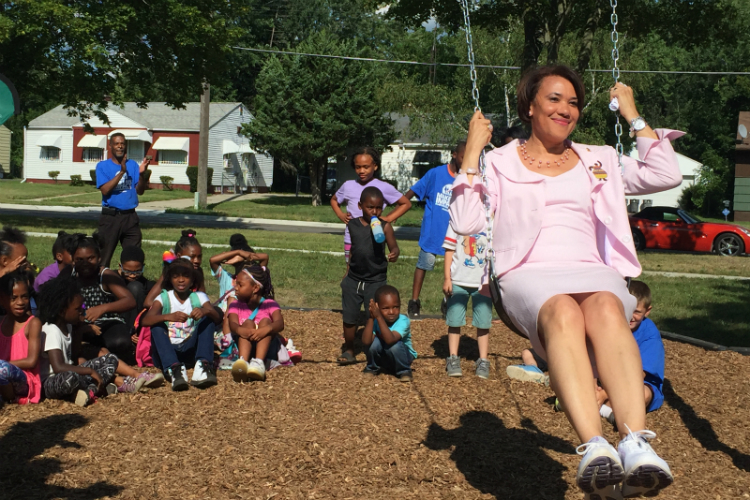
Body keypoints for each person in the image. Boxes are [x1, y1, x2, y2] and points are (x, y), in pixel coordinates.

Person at [451, 64, 683, 497]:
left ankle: (635, 443)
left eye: (573, 102)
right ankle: (595, 446)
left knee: (608, 307)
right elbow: (466, 222)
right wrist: (471, 153)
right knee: (561, 310)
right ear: (529, 106)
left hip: (592, 266)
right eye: (554, 99)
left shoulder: (599, 158)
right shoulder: (498, 161)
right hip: (526, 272)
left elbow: (665, 175)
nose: (566, 109)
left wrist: (632, 114)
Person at [338, 187, 400, 365]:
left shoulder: (385, 226)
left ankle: (375, 351)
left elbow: (394, 247)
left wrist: (394, 253)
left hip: (376, 280)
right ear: (360, 206)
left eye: (379, 208)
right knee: (349, 318)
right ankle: (349, 349)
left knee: (373, 316)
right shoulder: (353, 225)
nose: (375, 211)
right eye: (370, 207)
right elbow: (353, 250)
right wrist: (347, 271)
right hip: (354, 278)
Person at [403, 141, 465, 318]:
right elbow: (414, 191)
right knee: (424, 265)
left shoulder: (466, 179)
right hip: (433, 232)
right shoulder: (436, 174)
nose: (466, 160)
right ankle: (414, 301)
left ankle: (447, 302)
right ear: (454, 154)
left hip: (454, 234)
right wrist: (398, 206)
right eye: (463, 157)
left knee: (452, 271)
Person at [37, 275, 119, 407]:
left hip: (71, 372)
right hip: (52, 380)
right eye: (77, 309)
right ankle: (93, 389)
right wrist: (90, 371)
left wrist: (79, 330)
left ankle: (88, 391)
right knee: (71, 378)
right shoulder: (51, 330)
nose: (82, 311)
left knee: (111, 360)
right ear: (62, 311)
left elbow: (74, 356)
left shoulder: (68, 326)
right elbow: (58, 367)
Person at [141, 259, 221, 391]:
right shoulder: (163, 298)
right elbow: (145, 320)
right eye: (176, 276)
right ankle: (174, 369)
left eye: (186, 276)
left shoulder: (199, 297)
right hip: (168, 351)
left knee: (208, 320)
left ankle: (203, 365)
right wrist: (168, 317)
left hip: (189, 349)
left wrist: (204, 311)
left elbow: (217, 317)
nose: (181, 280)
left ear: (193, 279)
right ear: (170, 279)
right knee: (157, 326)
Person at [597, 280, 665, 426]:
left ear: (647, 311)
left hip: (639, 382)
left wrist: (606, 393)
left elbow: (640, 374)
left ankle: (603, 408)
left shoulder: (649, 334)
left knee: (642, 394)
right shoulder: (609, 324)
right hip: (606, 378)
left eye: (637, 312)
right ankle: (606, 408)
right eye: (625, 308)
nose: (630, 315)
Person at [330, 146, 411, 265]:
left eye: (366, 167)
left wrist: (388, 218)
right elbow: (334, 200)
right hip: (351, 240)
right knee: (351, 270)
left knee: (372, 271)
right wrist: (340, 215)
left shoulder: (384, 187)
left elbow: (406, 203)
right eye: (358, 167)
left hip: (374, 239)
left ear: (375, 166)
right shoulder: (348, 185)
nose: (361, 171)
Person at [69, 233, 137, 364]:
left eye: (90, 258)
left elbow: (129, 300)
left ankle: (101, 352)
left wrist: (102, 308)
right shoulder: (69, 275)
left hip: (107, 323)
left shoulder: (105, 275)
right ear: (73, 260)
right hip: (77, 324)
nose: (85, 264)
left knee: (119, 341)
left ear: (99, 258)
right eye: (80, 260)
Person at [442, 226, 493, 379]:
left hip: (483, 283)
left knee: (483, 323)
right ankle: (453, 357)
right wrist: (447, 278)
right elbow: (449, 250)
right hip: (458, 281)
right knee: (455, 321)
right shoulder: (456, 222)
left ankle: (483, 360)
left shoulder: (489, 221)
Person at [96, 132, 152, 268]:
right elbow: (105, 190)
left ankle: (131, 284)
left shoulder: (132, 165)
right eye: (116, 143)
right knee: (104, 256)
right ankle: (102, 283)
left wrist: (142, 173)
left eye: (122, 143)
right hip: (111, 218)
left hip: (130, 217)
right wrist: (121, 172)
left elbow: (140, 191)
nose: (120, 146)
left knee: (134, 256)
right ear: (110, 146)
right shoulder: (102, 166)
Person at [229, 264, 289, 383]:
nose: (235, 287)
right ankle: (243, 363)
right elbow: (232, 324)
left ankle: (258, 363)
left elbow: (280, 323)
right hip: (244, 345)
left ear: (255, 288)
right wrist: (241, 330)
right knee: (248, 323)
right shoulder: (235, 304)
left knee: (266, 322)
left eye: (240, 285)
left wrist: (266, 329)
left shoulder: (269, 304)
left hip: (266, 348)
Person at [0, 271, 42, 404]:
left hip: (25, 380)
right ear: (2, 301)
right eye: (14, 298)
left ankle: (15, 399)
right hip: (2, 376)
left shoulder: (32, 323)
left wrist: (5, 364)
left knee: (2, 368)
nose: (20, 302)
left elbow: (31, 361)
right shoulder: (1, 322)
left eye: (24, 297)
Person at [361, 285, 416, 382]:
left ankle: (404, 371)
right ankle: (372, 368)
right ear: (377, 307)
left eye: (395, 307)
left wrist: (379, 317)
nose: (391, 312)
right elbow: (366, 341)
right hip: (385, 356)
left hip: (403, 356)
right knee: (374, 343)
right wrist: (371, 317)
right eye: (386, 308)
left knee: (394, 346)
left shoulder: (403, 321)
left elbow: (390, 340)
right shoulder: (375, 321)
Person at [144, 229, 206, 308]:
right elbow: (148, 302)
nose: (197, 261)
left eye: (199, 257)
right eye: (192, 257)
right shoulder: (170, 272)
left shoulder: (198, 272)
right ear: (179, 256)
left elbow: (203, 300)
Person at [118, 245, 155, 333]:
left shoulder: (146, 284)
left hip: (138, 322)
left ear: (143, 267)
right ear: (120, 266)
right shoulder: (113, 280)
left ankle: (136, 330)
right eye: (128, 271)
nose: (132, 275)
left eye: (138, 271)